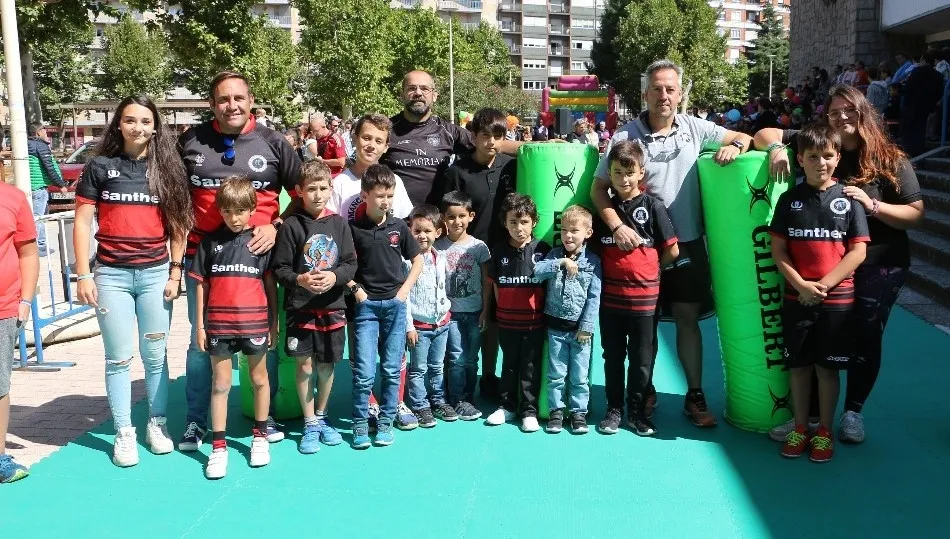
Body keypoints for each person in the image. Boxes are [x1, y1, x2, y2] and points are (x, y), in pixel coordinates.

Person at [754, 84, 924, 444]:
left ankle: (852, 413)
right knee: (816, 338)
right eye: (834, 111)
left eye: (850, 110)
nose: (842, 117)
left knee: (865, 336)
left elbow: (915, 213)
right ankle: (810, 418)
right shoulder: (822, 142)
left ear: (864, 112)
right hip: (825, 265)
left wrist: (873, 206)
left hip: (879, 261)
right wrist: (775, 150)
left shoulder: (889, 158)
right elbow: (765, 132)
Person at [591, 59, 751, 427]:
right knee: (644, 328)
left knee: (686, 320)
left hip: (687, 246)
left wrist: (737, 146)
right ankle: (643, 392)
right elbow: (599, 189)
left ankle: (694, 395)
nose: (663, 95)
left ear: (680, 94)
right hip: (639, 252)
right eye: (657, 89)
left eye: (670, 89)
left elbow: (741, 136)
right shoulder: (625, 136)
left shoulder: (695, 127)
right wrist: (617, 226)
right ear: (645, 94)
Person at [178, 71, 301, 452]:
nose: (231, 105)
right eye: (223, 99)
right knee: (201, 342)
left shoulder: (274, 143)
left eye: (238, 98)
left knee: (264, 338)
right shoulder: (190, 141)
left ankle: (267, 418)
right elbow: (174, 197)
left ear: (251, 101)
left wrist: (276, 226)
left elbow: (301, 196)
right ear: (212, 104)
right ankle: (196, 421)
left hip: (257, 260)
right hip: (204, 260)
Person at [73, 95, 193, 467]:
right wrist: (83, 275)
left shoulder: (167, 170)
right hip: (111, 276)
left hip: (156, 275)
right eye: (130, 120)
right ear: (118, 124)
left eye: (145, 121)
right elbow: (81, 222)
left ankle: (157, 424)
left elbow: (179, 226)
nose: (137, 127)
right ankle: (124, 431)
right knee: (118, 358)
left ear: (155, 128)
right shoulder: (99, 166)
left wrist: (176, 271)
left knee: (155, 357)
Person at [769, 124, 869, 463]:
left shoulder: (849, 200)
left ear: (838, 157)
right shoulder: (789, 200)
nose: (821, 163)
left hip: (836, 301)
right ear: (800, 159)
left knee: (827, 369)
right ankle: (801, 427)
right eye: (813, 156)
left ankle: (824, 431)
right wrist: (801, 285)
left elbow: (857, 251)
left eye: (827, 156)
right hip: (797, 297)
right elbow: (779, 250)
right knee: (798, 367)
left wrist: (823, 286)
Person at [190, 177, 278, 478]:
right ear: (220, 210)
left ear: (252, 209)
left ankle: (260, 437)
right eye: (227, 211)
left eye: (240, 211)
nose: (234, 218)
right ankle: (218, 448)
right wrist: (200, 327)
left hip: (255, 322)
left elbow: (269, 284)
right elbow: (201, 285)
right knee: (221, 384)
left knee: (259, 379)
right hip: (219, 325)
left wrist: (273, 323)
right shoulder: (209, 242)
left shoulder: (260, 242)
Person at [593, 141, 679, 436]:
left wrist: (651, 272)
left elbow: (672, 250)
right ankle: (614, 409)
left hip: (645, 300)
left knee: (642, 359)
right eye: (617, 172)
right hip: (610, 300)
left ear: (641, 172)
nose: (624, 179)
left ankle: (638, 412)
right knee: (612, 356)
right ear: (610, 174)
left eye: (630, 172)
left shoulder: (653, 207)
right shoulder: (606, 213)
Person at [272, 161, 356, 454]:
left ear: (331, 189)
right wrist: (300, 279)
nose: (317, 195)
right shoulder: (291, 226)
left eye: (322, 188)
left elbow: (350, 264)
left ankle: (322, 416)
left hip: (333, 307)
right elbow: (280, 269)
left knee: (326, 365)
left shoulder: (339, 224)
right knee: (305, 365)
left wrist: (334, 277)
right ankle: (309, 423)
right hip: (301, 308)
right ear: (299, 191)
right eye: (311, 189)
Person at [346, 164, 422, 449]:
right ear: (365, 196)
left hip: (395, 307)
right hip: (365, 309)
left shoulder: (399, 227)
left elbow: (417, 261)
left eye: (390, 196)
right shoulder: (353, 229)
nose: (386, 201)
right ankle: (359, 424)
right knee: (365, 372)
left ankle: (386, 423)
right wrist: (356, 290)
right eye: (380, 196)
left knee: (391, 369)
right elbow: (342, 265)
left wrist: (402, 293)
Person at [381, 70, 524, 207]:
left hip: (436, 220)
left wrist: (535, 147)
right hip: (396, 219)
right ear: (402, 94)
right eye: (411, 88)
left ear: (434, 95)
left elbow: (489, 142)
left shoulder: (448, 131)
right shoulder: (385, 130)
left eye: (425, 89)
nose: (418, 93)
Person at [533, 205, 602, 435]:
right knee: (556, 375)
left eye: (574, 231)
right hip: (556, 329)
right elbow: (537, 271)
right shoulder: (555, 255)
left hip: (580, 332)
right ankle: (556, 412)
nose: (568, 236)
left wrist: (587, 326)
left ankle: (578, 413)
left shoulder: (593, 261)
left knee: (579, 376)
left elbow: (594, 297)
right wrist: (561, 262)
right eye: (564, 230)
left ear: (588, 233)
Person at [485, 193, 550, 432]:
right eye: (513, 222)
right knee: (509, 364)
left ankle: (529, 411)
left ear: (534, 222)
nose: (519, 228)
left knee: (530, 366)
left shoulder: (543, 249)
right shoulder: (498, 250)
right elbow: (495, 285)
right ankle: (507, 407)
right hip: (507, 321)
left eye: (524, 222)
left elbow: (549, 286)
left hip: (534, 322)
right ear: (505, 223)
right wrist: (498, 311)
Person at [437, 191, 491, 420]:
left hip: (475, 311)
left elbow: (487, 281)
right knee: (457, 358)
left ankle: (469, 395)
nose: (456, 221)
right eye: (451, 216)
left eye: (462, 216)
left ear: (471, 216)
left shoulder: (479, 247)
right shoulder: (438, 247)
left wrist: (486, 311)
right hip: (451, 314)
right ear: (443, 218)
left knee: (471, 359)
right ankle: (457, 398)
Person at [0, 182, 39, 483]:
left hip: (3, 308)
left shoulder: (12, 198)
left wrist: (25, 301)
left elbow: (27, 252)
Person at [404, 204, 456, 427]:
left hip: (441, 324)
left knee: (437, 366)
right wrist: (409, 326)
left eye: (427, 231)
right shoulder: (406, 262)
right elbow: (405, 297)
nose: (422, 236)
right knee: (418, 369)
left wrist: (446, 313)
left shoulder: (441, 257)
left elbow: (443, 288)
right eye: (417, 231)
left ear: (438, 232)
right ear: (410, 231)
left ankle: (438, 400)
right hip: (419, 326)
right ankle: (419, 405)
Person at [328, 113, 413, 221]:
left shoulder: (395, 182)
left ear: (386, 147)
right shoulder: (339, 184)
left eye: (378, 141)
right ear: (354, 139)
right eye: (367, 138)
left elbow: (405, 220)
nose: (372, 145)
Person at [27, 124, 67, 257]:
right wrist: (61, 184)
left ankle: (41, 245)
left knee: (40, 217)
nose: (46, 133)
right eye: (44, 130)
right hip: (39, 187)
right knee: (39, 218)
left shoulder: (27, 144)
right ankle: (39, 247)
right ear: (38, 132)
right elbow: (49, 166)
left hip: (33, 186)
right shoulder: (40, 146)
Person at [900, 51, 944, 157]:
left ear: (924, 60)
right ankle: (918, 148)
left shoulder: (917, 71)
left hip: (912, 104)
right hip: (926, 105)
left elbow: (909, 87)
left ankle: (908, 149)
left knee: (910, 128)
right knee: (921, 127)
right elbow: (939, 92)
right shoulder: (938, 75)